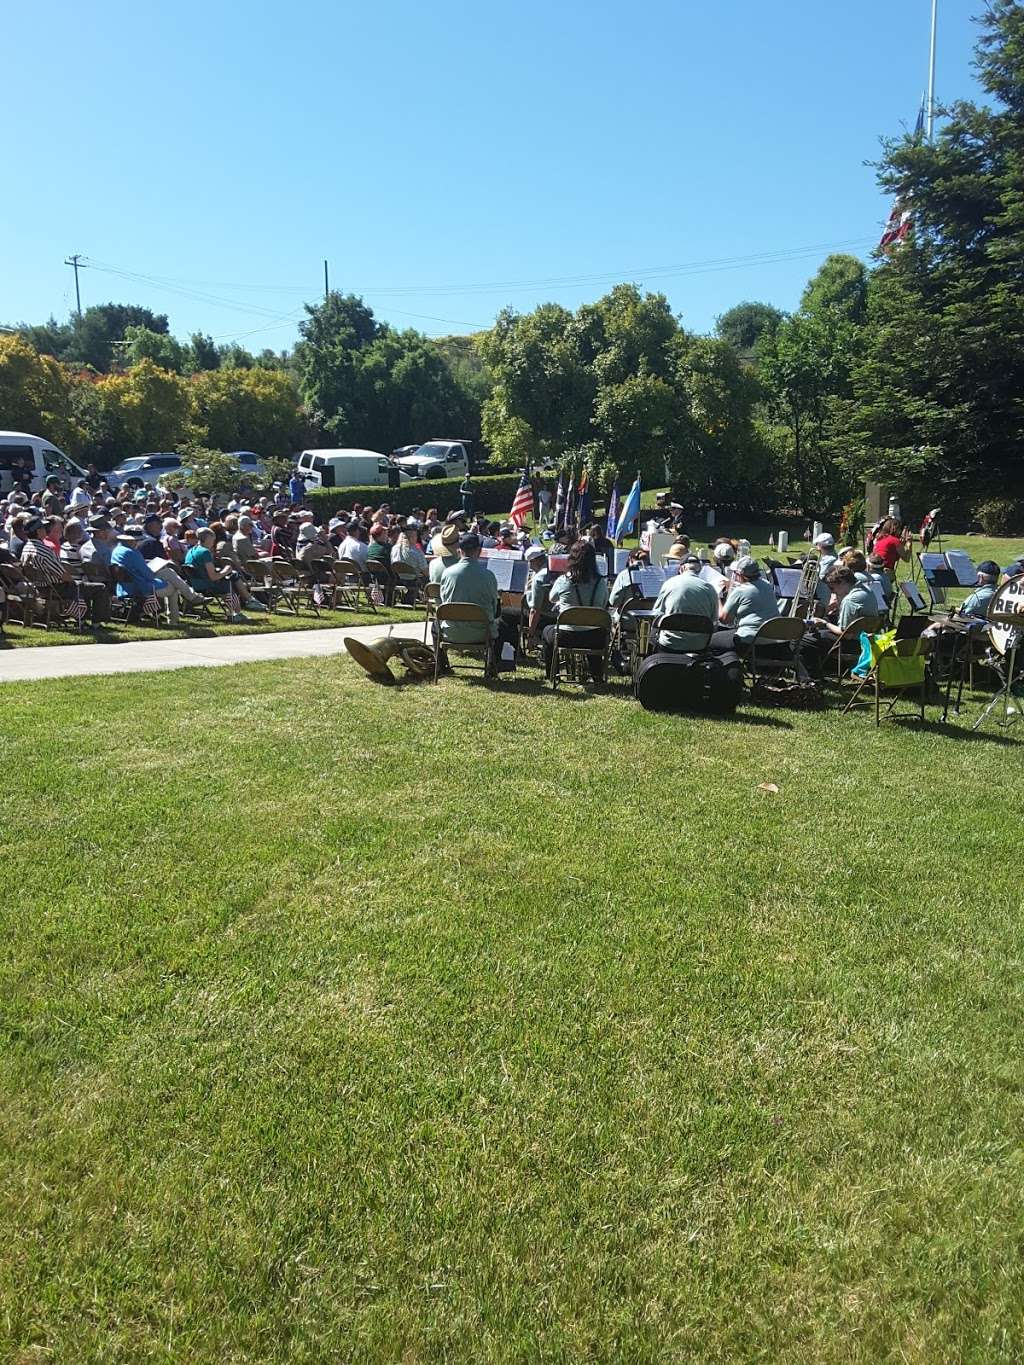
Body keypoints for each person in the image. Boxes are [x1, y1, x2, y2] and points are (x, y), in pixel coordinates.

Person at [437, 532, 515, 669]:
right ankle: (493, 665)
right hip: (482, 633)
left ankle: (440, 665)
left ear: (459, 550)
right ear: (479, 551)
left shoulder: (447, 573)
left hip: (450, 632)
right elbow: (494, 607)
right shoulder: (488, 575)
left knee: (434, 626)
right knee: (501, 626)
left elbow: (444, 602)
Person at [542, 538, 611, 681]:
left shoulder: (563, 580)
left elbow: (552, 598)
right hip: (595, 638)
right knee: (594, 629)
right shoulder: (600, 582)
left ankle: (551, 674)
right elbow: (604, 603)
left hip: (567, 636)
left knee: (546, 631)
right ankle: (596, 674)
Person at [711, 555, 780, 657]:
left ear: (740, 574)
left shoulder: (740, 591)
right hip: (773, 639)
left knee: (712, 640)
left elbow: (725, 619)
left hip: (749, 640)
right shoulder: (767, 585)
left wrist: (717, 598)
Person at [652, 555, 719, 652]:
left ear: (682, 568)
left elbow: (656, 615)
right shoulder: (710, 588)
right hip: (699, 645)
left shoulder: (669, 583)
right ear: (699, 569)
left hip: (669, 644)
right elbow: (714, 623)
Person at [110, 529, 178, 624]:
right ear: (129, 540)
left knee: (168, 573)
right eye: (136, 540)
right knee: (174, 587)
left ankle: (190, 597)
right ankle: (174, 620)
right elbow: (149, 575)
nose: (138, 542)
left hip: (123, 587)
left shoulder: (116, 550)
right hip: (139, 587)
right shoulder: (132, 552)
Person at [184, 527, 245, 622]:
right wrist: (226, 570)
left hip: (195, 584)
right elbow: (213, 577)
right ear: (208, 538)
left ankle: (247, 602)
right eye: (212, 540)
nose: (213, 543)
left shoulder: (190, 551)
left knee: (232, 576)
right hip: (207, 586)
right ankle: (237, 613)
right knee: (230, 579)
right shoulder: (205, 552)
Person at [524, 544, 557, 647]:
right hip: (560, 616)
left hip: (545, 617)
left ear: (535, 561)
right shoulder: (557, 570)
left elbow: (535, 610)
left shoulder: (539, 577)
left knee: (507, 615)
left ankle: (515, 651)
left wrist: (531, 635)